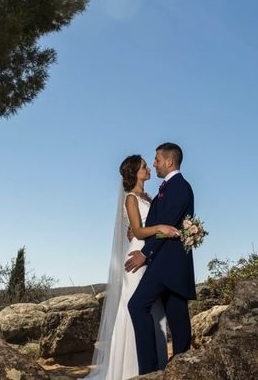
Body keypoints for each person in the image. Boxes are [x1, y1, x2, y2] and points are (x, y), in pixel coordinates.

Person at [86, 155, 180, 380]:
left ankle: (154, 364)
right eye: (144, 166)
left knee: (154, 310)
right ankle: (129, 368)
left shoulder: (148, 196)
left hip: (151, 255)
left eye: (148, 165)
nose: (149, 168)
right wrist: (162, 228)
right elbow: (137, 232)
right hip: (137, 255)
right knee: (135, 306)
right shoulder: (130, 198)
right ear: (135, 172)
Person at [125, 142, 196, 375]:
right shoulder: (166, 189)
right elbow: (157, 224)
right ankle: (180, 368)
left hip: (166, 262)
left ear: (169, 161)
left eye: (156, 159)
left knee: (137, 306)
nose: (154, 164)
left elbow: (168, 225)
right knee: (177, 318)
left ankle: (150, 371)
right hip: (165, 264)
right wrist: (137, 231)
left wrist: (145, 254)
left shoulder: (179, 188)